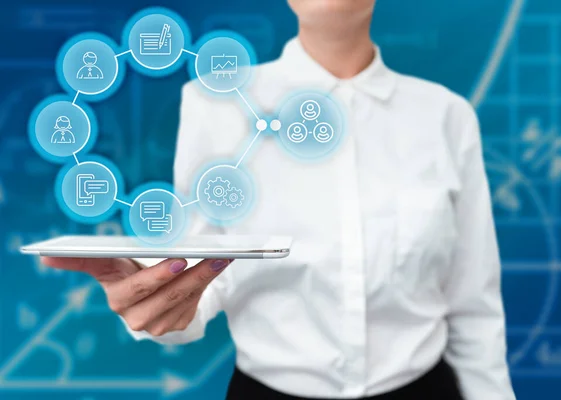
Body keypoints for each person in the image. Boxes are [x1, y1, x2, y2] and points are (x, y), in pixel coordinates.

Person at [41, 1, 516, 399]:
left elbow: (473, 304)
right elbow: (203, 278)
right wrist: (159, 300)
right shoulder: (216, 103)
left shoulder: (445, 116)